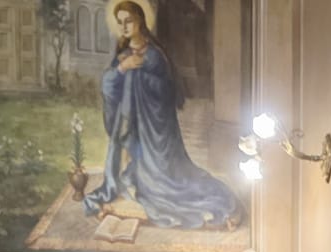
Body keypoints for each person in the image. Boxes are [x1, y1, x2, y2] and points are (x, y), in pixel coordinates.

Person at [82, 1, 243, 230]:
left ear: (140, 21)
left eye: (128, 21)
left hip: (155, 131)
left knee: (168, 184)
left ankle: (152, 184)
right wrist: (123, 68)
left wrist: (139, 75)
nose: (124, 26)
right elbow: (109, 85)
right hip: (129, 125)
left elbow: (168, 91)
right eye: (120, 22)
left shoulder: (154, 55)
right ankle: (130, 181)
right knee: (127, 159)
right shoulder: (124, 55)